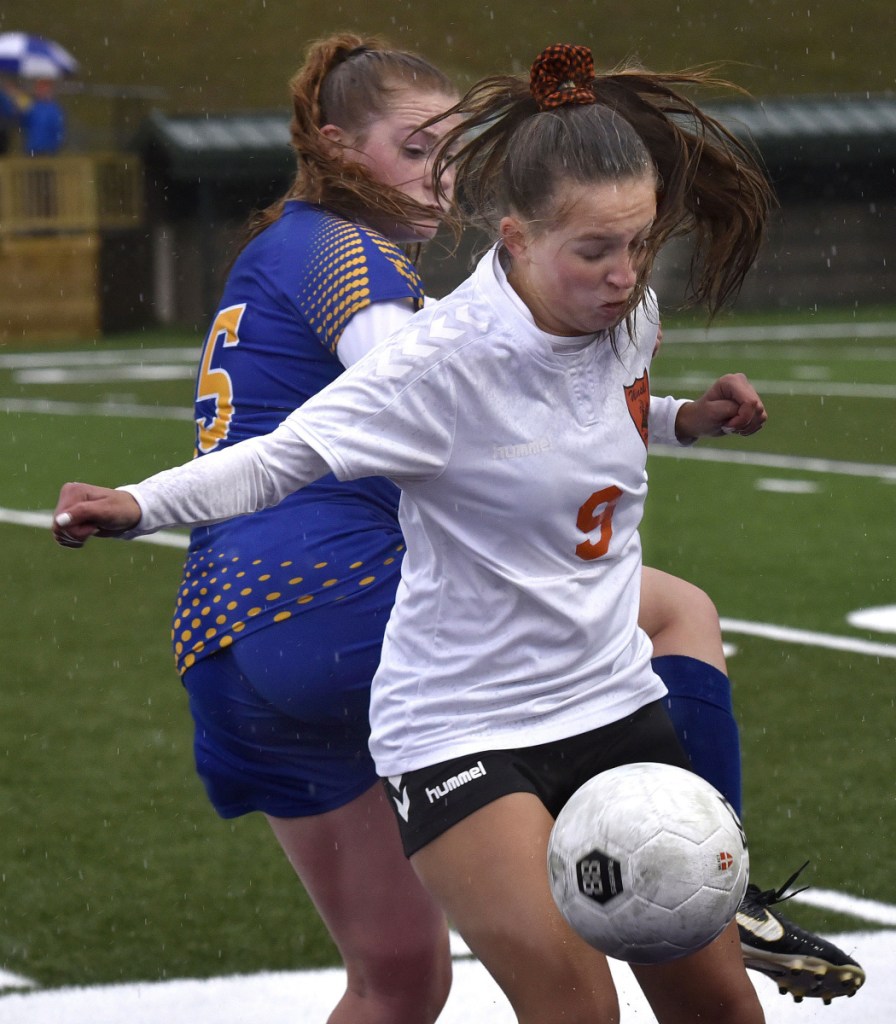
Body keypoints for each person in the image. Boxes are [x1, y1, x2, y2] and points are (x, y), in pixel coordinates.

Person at [53, 35, 862, 1015]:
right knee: (577, 1009)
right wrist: (135, 504)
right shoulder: (429, 359)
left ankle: (723, 894)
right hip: (460, 725)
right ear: (513, 240)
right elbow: (282, 457)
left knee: (720, 1008)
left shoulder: (629, 318)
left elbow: (576, 416)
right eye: (593, 251)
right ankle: (730, 891)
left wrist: (683, 420)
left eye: (639, 243)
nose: (621, 275)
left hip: (607, 700)